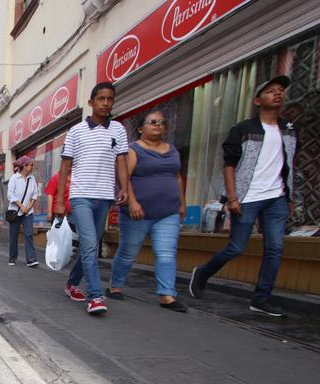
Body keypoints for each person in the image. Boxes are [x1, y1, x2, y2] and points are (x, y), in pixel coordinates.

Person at [189, 75, 298, 317]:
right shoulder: (243, 129)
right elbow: (229, 165)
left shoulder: (289, 130)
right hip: (247, 196)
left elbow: (290, 164)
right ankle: (204, 272)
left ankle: (261, 298)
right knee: (237, 247)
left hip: (277, 196)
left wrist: (289, 198)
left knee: (275, 249)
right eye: (271, 91)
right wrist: (232, 197)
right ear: (258, 100)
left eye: (280, 90)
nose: (278, 93)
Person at [54, 81, 129, 315]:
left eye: (109, 99)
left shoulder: (118, 130)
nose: (106, 103)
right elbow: (65, 166)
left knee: (91, 246)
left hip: (105, 196)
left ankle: (71, 283)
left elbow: (122, 162)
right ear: (91, 103)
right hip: (81, 196)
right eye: (101, 99)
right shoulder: (76, 131)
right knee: (88, 244)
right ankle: (96, 296)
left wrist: (124, 187)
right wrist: (59, 200)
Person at [107, 110, 188, 312]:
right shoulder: (133, 150)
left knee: (166, 253)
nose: (157, 125)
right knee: (128, 252)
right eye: (152, 122)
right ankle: (115, 285)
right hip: (138, 212)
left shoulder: (172, 151)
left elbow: (177, 178)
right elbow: (125, 178)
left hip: (168, 212)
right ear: (141, 128)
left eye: (161, 122)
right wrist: (132, 203)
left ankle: (167, 295)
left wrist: (182, 204)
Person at [45, 172, 83, 286]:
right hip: (59, 214)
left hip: (73, 213)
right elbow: (50, 194)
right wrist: (49, 212)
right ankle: (58, 256)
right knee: (59, 237)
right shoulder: (57, 177)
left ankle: (67, 254)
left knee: (71, 237)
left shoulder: (78, 177)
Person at [7, 155, 39, 267]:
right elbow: (10, 195)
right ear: (24, 166)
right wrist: (21, 206)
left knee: (29, 234)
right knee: (13, 236)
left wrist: (28, 208)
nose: (32, 167)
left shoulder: (32, 179)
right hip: (15, 211)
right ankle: (12, 257)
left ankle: (31, 259)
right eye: (30, 165)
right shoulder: (14, 178)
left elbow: (35, 195)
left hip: (28, 212)